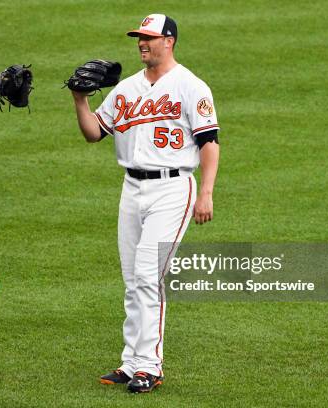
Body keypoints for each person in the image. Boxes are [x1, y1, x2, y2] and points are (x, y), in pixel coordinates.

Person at [70, 14, 220, 393]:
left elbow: (209, 142)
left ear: (169, 41)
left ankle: (150, 367)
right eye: (139, 37)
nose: (141, 42)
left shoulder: (191, 86)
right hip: (131, 188)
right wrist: (80, 99)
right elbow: (93, 133)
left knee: (147, 277)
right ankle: (131, 362)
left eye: (149, 37)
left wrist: (206, 192)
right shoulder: (126, 89)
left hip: (173, 189)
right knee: (132, 280)